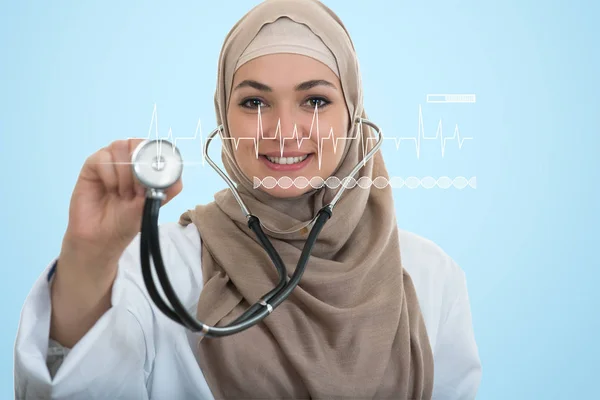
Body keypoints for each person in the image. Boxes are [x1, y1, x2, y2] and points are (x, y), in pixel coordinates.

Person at [14, 0, 482, 398]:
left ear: (353, 116)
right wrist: (87, 258)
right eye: (254, 103)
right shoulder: (158, 270)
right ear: (223, 115)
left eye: (315, 101)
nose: (282, 130)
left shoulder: (430, 277)